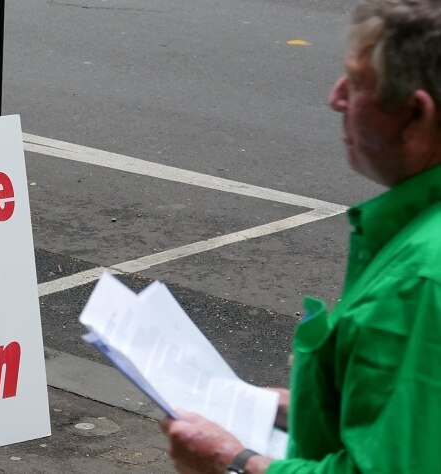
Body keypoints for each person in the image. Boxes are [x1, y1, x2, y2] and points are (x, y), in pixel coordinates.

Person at [161, 0, 441, 472]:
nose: (335, 98)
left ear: (416, 115)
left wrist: (235, 460)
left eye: (355, 83)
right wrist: (286, 407)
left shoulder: (419, 281)